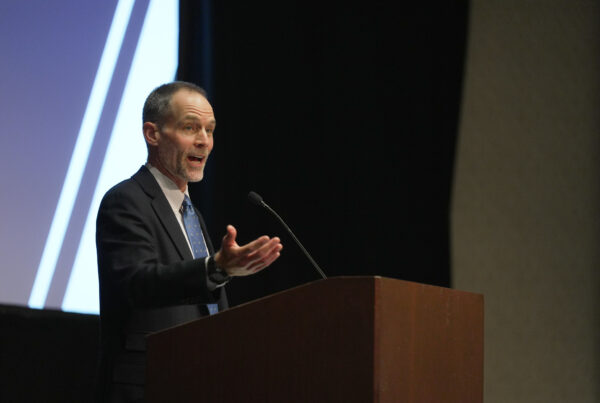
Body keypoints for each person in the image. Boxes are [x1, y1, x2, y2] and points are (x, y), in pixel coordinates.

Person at [95, 81, 283, 402]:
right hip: (149, 385)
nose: (204, 141)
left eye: (210, 130)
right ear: (152, 134)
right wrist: (215, 268)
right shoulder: (125, 200)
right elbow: (136, 283)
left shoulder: (192, 216)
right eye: (190, 127)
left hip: (200, 383)